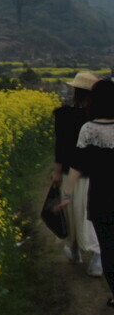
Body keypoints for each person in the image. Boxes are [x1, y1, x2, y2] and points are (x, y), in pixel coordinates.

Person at [60, 78, 114, 308]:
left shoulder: (88, 130)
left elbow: (77, 166)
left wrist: (67, 195)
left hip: (101, 198)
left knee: (109, 250)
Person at [53, 71, 102, 275]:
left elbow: (61, 148)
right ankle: (97, 260)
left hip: (70, 173)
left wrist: (56, 172)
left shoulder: (65, 115)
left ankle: (75, 251)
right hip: (96, 175)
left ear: (75, 91)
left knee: (72, 213)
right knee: (92, 215)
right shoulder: (100, 118)